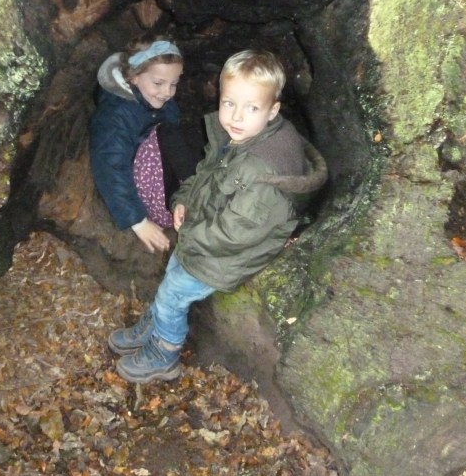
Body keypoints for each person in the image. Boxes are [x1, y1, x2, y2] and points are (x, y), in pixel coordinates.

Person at [107, 49, 328, 383]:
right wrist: (183, 200)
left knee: (173, 294)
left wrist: (191, 232)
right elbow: (206, 175)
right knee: (173, 275)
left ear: (272, 111)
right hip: (206, 232)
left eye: (251, 108)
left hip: (229, 254)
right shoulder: (240, 137)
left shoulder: (261, 173)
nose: (236, 116)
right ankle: (156, 325)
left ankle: (164, 355)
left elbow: (237, 233)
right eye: (229, 103)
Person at [89, 37, 198, 254]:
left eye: (174, 84)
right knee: (170, 134)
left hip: (164, 178)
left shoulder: (155, 99)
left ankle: (195, 189)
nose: (167, 92)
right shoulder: (115, 115)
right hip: (151, 196)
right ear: (134, 76)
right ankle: (195, 195)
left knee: (193, 132)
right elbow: (111, 167)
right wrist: (138, 222)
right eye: (158, 83)